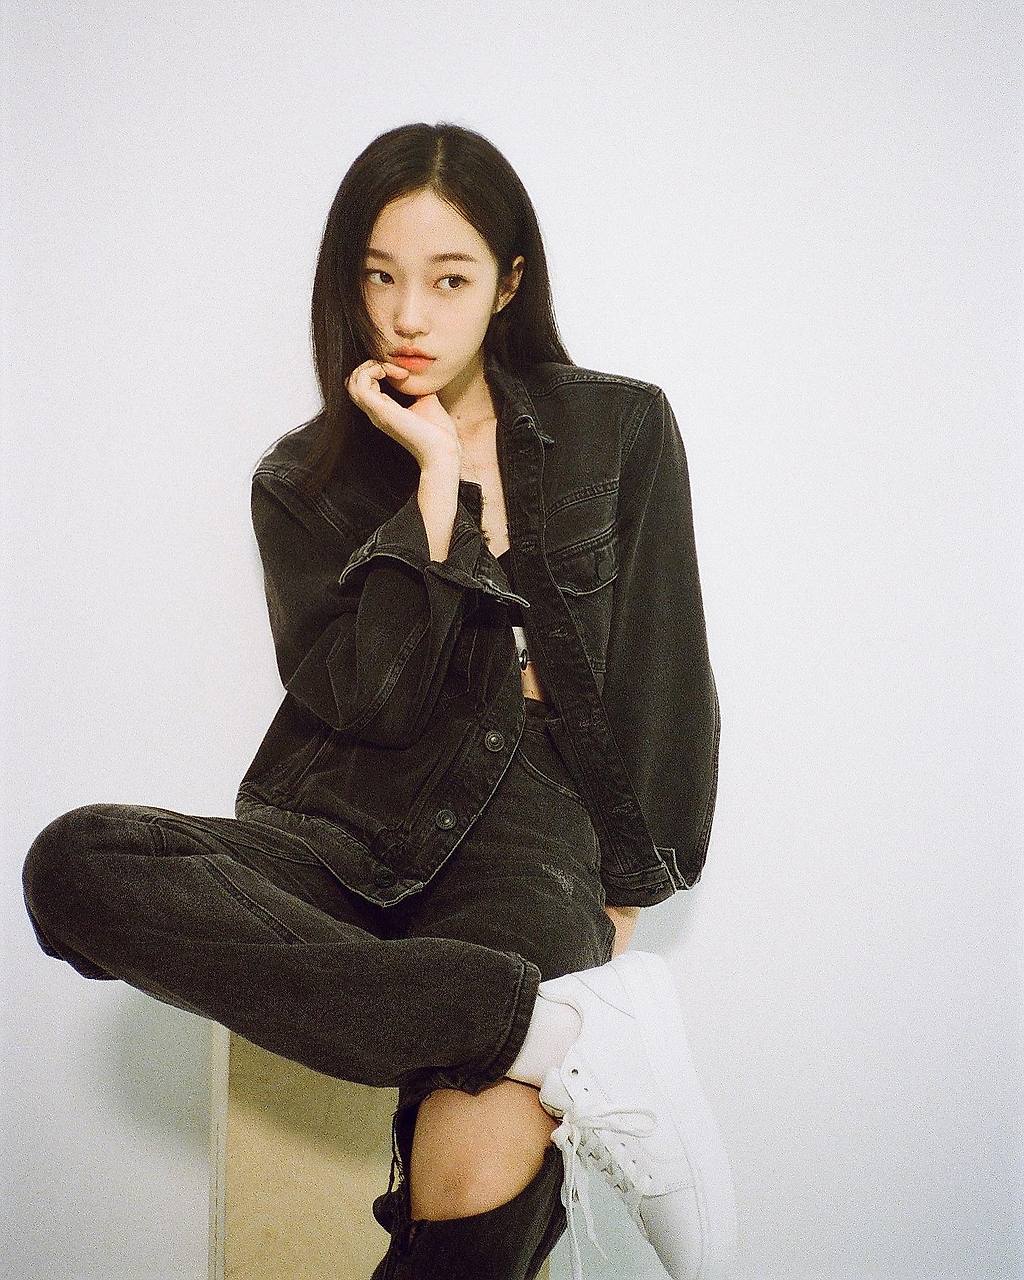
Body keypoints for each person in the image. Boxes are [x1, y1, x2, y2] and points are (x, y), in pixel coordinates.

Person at [20, 121, 737, 1280]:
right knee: (72, 864)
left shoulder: (620, 428)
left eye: (448, 279)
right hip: (340, 820)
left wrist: (624, 900)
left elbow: (664, 672)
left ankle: (543, 1024)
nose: (408, 315)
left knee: (466, 1187)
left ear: (508, 282)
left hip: (527, 827)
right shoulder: (299, 482)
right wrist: (435, 485)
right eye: (379, 277)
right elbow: (374, 705)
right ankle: (549, 1034)